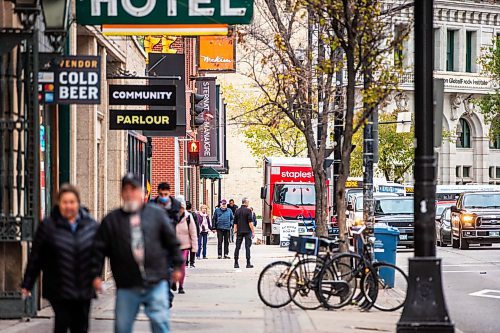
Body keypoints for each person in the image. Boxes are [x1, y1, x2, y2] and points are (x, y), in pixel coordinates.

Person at [92, 173, 183, 333]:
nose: (130, 194)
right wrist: (96, 275)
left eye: (134, 189)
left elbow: (172, 242)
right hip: (127, 283)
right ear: (121, 193)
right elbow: (99, 250)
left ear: (143, 193)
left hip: (156, 279)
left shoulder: (156, 214)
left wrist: (177, 267)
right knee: (122, 327)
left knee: (160, 322)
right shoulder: (112, 220)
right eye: (126, 190)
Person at [22, 184, 99, 333]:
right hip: (59, 287)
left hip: (84, 287)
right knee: (62, 323)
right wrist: (27, 283)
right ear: (59, 203)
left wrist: (96, 275)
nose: (68, 206)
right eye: (65, 202)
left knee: (81, 326)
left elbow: (99, 253)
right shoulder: (48, 226)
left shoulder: (90, 225)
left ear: (78, 203)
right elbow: (36, 257)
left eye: (72, 202)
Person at [173, 198, 198, 294]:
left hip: (184, 246)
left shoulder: (188, 217)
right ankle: (174, 281)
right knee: (173, 266)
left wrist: (194, 248)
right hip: (173, 246)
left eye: (182, 207)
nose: (180, 209)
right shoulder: (170, 216)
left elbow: (193, 232)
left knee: (182, 266)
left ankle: (181, 286)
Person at [233, 198, 255, 269]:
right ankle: (248, 263)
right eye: (248, 202)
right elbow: (250, 223)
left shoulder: (237, 211)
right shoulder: (248, 210)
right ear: (246, 203)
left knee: (237, 247)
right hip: (247, 231)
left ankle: (236, 263)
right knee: (247, 247)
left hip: (239, 231)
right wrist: (253, 231)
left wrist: (235, 231)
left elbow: (235, 223)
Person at [185, 201, 200, 268]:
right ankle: (192, 262)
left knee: (185, 249)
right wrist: (197, 234)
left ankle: (185, 262)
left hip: (184, 234)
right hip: (192, 233)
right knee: (192, 249)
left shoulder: (183, 214)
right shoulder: (193, 215)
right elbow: (197, 225)